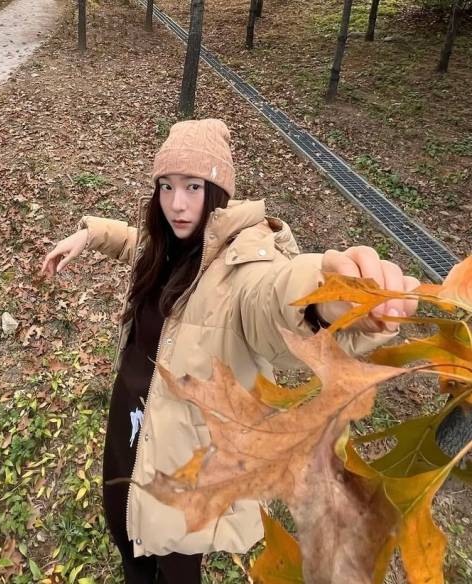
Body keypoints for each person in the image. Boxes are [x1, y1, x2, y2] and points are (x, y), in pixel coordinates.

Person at [40, 119, 419, 584]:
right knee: (124, 534)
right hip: (129, 420)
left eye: (193, 186)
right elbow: (140, 246)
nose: (177, 203)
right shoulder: (168, 243)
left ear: (217, 191)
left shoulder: (242, 264)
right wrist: (91, 234)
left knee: (176, 564)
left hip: (186, 455)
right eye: (166, 186)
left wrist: (325, 299)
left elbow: (273, 295)